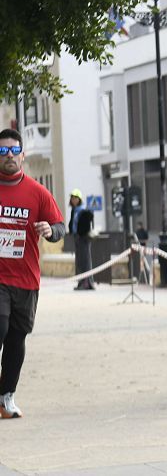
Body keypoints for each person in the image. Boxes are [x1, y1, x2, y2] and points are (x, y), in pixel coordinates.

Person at [0, 129, 65, 418]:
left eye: (14, 150)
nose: (9, 155)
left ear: (23, 155)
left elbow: (60, 226)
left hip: (26, 281)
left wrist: (50, 231)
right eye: (3, 151)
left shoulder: (38, 192)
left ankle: (6, 397)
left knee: (17, 338)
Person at [68, 189, 95, 290]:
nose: (73, 200)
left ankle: (87, 283)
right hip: (77, 238)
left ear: (79, 199)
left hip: (83, 239)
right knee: (79, 261)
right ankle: (81, 282)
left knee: (85, 261)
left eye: (75, 198)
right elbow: (73, 224)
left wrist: (81, 233)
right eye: (72, 198)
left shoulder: (84, 210)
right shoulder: (74, 210)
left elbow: (86, 224)